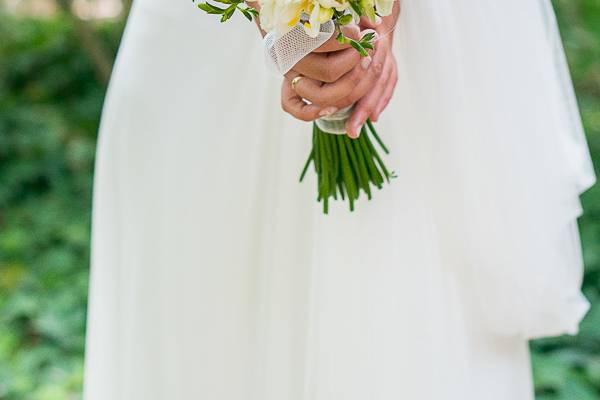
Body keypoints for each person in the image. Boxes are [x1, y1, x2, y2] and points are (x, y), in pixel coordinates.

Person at [83, 0, 596, 398]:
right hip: (196, 41)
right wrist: (282, 18)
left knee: (393, 288)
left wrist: (373, 15)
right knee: (195, 257)